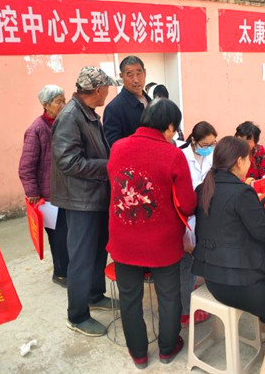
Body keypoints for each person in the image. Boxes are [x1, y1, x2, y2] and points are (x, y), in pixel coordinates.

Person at [192, 136, 265, 374]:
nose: (250, 163)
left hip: (214, 280)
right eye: (248, 159)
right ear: (239, 161)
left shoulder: (204, 188)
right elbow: (263, 232)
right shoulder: (241, 193)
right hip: (242, 283)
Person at [107, 99, 197, 369]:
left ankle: (139, 354)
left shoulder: (118, 147)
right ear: (169, 126)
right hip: (162, 242)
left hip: (124, 239)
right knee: (168, 296)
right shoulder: (172, 154)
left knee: (129, 298)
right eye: (174, 129)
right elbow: (188, 204)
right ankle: (168, 349)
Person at [51, 66, 117, 337]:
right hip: (80, 200)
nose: (108, 92)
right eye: (107, 88)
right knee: (81, 258)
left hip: (95, 195)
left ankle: (94, 295)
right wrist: (108, 166)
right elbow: (67, 161)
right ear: (98, 90)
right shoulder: (70, 116)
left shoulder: (87, 112)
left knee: (98, 251)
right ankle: (77, 316)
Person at [18, 85, 69, 288]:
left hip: (66, 191)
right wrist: (32, 192)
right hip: (48, 196)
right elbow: (26, 166)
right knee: (58, 238)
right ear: (46, 105)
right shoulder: (36, 129)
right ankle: (60, 274)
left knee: (68, 234)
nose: (63, 105)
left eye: (64, 100)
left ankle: (69, 269)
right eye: (58, 101)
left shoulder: (64, 124)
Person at [177, 121, 216, 327]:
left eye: (212, 143)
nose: (209, 147)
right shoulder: (181, 156)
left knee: (201, 258)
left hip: (205, 212)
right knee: (187, 263)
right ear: (194, 140)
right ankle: (184, 311)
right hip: (186, 216)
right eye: (205, 144)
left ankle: (196, 300)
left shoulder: (211, 155)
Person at [103, 56, 151, 147]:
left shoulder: (152, 103)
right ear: (121, 76)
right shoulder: (113, 109)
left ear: (144, 72)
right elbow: (113, 145)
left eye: (139, 73)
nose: (136, 80)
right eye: (130, 75)